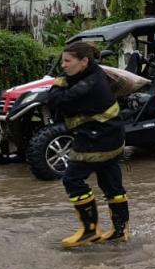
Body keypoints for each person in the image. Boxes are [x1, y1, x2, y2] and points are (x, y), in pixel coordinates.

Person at [45, 41, 129, 248]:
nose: (63, 66)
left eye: (67, 61)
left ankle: (90, 230)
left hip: (97, 138)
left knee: (72, 180)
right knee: (111, 183)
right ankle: (120, 231)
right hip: (111, 135)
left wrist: (58, 82)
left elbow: (55, 101)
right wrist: (65, 79)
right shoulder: (93, 74)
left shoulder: (88, 85)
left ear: (84, 62)